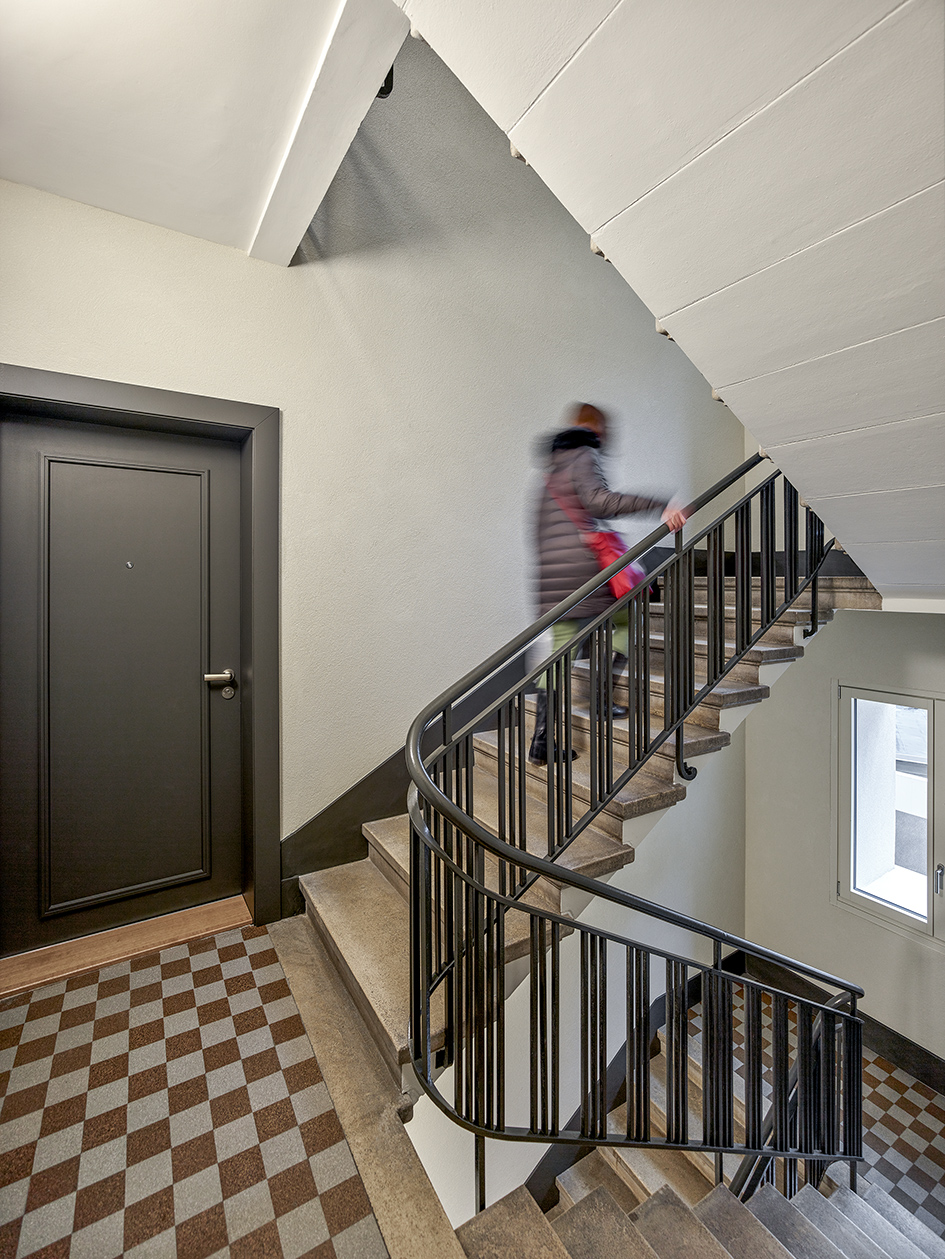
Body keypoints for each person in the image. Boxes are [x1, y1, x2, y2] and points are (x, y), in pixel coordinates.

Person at [530, 402, 687, 765]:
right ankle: (601, 699)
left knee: (559, 655)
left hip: (554, 582)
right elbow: (600, 502)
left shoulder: (550, 471)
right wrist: (661, 505)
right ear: (596, 430)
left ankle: (541, 738)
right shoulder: (584, 454)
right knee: (629, 618)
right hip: (583, 575)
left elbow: (544, 532)